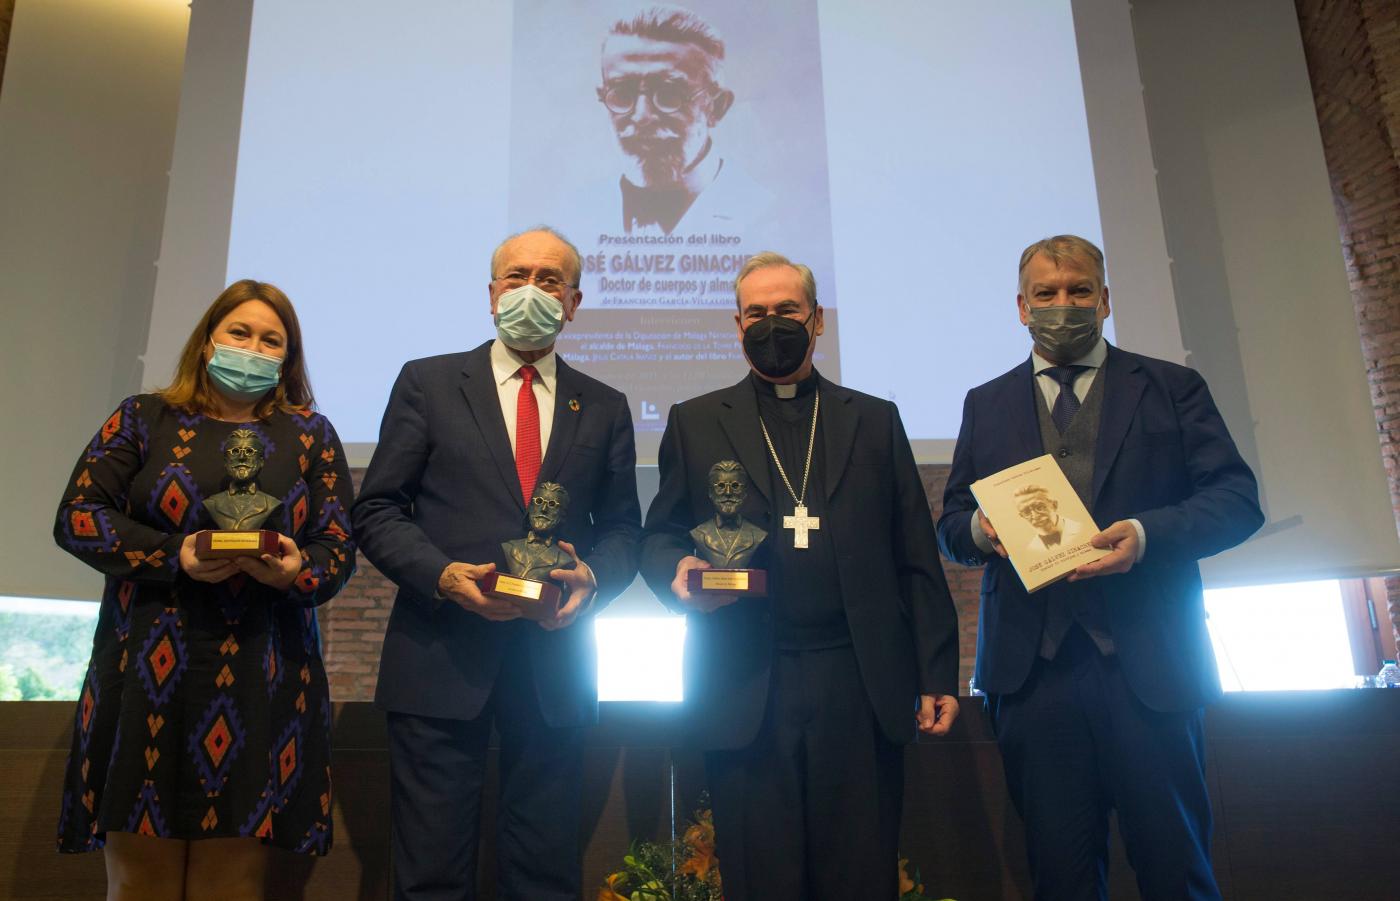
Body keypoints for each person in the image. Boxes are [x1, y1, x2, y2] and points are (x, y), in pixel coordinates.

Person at [937, 235, 1264, 900]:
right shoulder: (985, 402)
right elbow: (951, 527)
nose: (1063, 305)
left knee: (1175, 870)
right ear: (1021, 307)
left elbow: (1236, 501)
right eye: (1047, 293)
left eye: (1079, 290)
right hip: (1034, 681)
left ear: (1105, 299)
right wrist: (978, 530)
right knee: (1059, 878)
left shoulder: (1171, 388)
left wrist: (1145, 536)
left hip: (1150, 667)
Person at [641, 251, 960, 900]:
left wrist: (935, 670)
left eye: (787, 309)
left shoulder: (873, 419)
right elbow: (660, 535)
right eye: (756, 312)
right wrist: (677, 570)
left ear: (817, 320)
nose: (771, 324)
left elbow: (915, 555)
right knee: (762, 878)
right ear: (737, 325)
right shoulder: (696, 420)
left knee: (859, 875)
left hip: (858, 679)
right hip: (747, 679)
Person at [352, 226, 642, 900]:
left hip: (554, 662)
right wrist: (443, 577)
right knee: (429, 874)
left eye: (550, 280)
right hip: (439, 657)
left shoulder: (604, 405)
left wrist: (593, 577)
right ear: (491, 294)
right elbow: (378, 509)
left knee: (544, 875)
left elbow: (624, 530)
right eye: (517, 276)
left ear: (574, 303)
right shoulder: (427, 382)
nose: (531, 290)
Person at [53, 279, 355, 900]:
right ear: (208, 341)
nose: (253, 348)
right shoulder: (142, 417)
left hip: (263, 673)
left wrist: (296, 568)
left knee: (233, 882)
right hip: (145, 670)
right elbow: (78, 517)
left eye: (271, 341)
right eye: (239, 332)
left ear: (288, 358)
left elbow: (337, 550)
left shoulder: (312, 434)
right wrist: (175, 554)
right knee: (139, 881)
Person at [593, 4, 774, 236]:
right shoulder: (578, 213)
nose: (642, 116)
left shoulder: (767, 216)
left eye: (669, 94)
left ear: (716, 107)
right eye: (622, 94)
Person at [689, 459, 766, 569]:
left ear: (745, 493)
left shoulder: (758, 535)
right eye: (721, 486)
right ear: (710, 492)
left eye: (735, 486)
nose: (728, 492)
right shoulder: (698, 534)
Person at [1014, 484, 1083, 552]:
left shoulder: (1082, 530)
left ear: (1054, 505)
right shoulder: (1031, 548)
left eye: (1039, 507)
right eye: (1026, 512)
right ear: (1022, 516)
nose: (1035, 516)